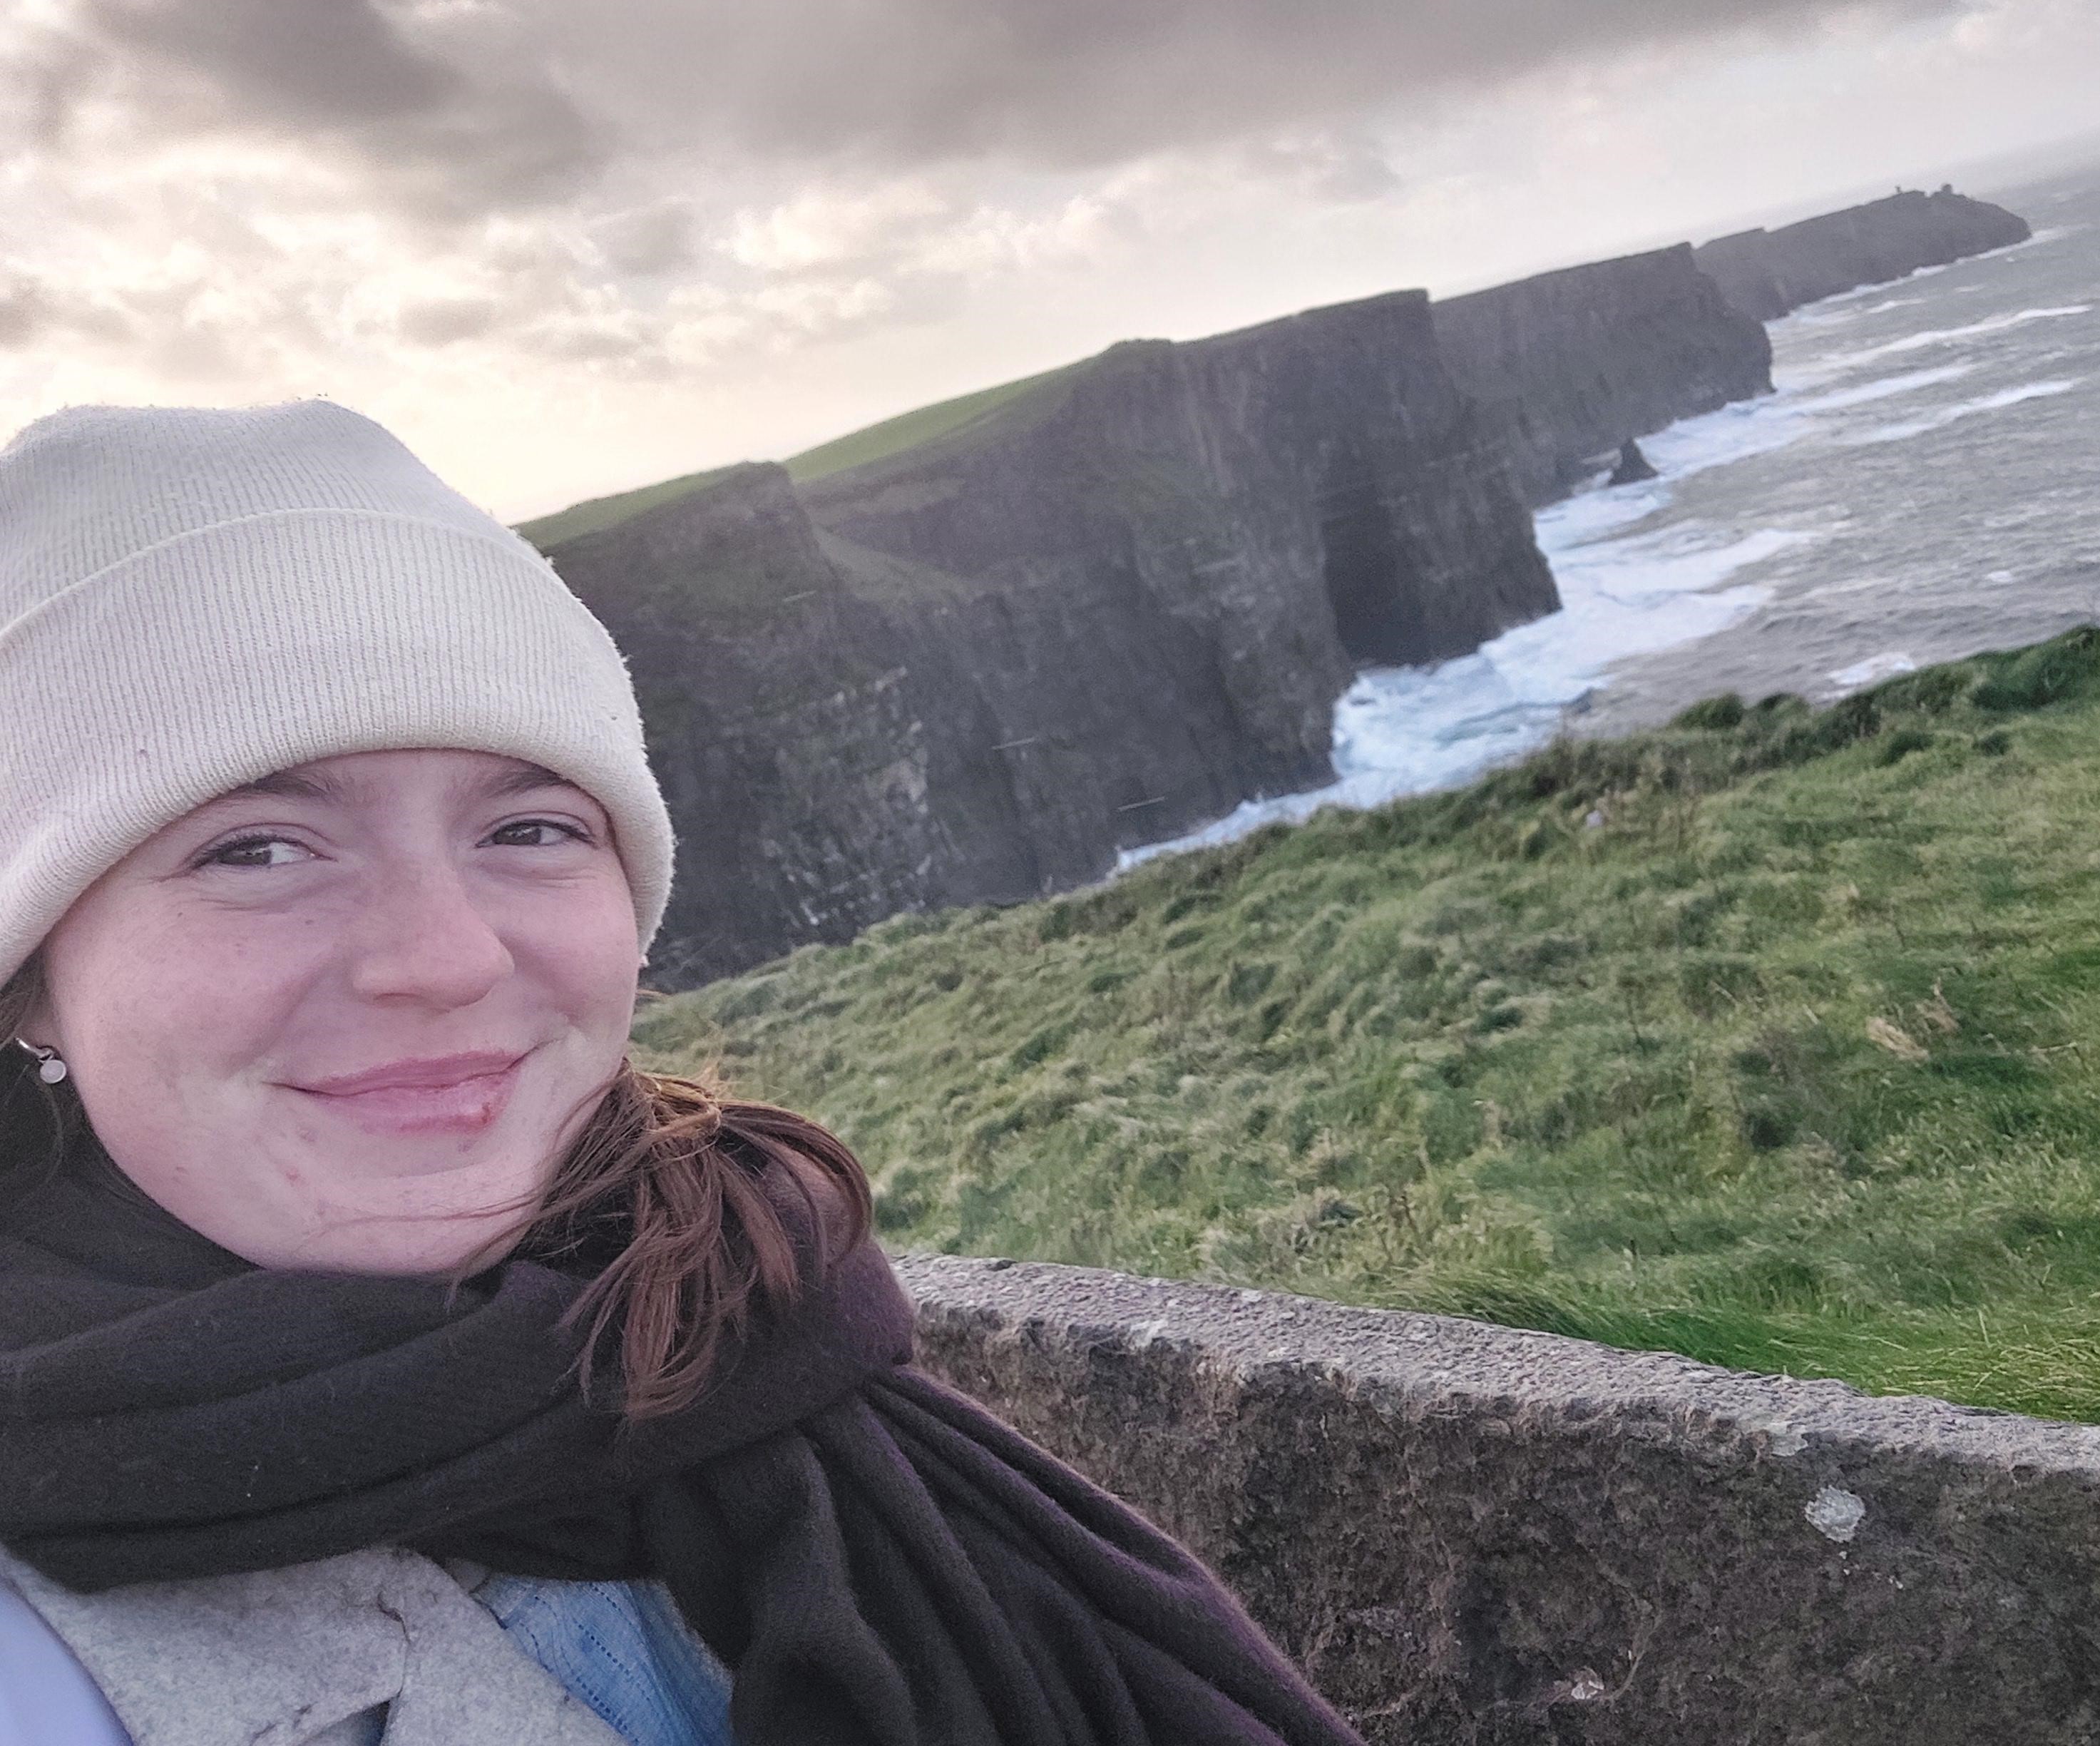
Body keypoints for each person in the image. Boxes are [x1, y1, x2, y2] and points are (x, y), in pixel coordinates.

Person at [0, 400, 1365, 1746]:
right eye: (256, 848)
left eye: (530, 827)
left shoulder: (752, 1308)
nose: (446, 957)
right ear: (33, 977)